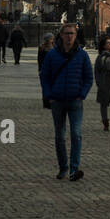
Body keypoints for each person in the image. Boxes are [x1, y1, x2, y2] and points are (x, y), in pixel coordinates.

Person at [39, 22, 93, 180]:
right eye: (66, 33)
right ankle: (63, 167)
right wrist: (49, 94)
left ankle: (74, 169)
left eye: (72, 33)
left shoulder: (82, 55)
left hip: (75, 100)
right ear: (61, 35)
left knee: (76, 134)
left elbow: (88, 77)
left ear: (76, 36)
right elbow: (45, 76)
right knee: (60, 136)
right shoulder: (52, 55)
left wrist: (82, 94)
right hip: (57, 100)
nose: (69, 36)